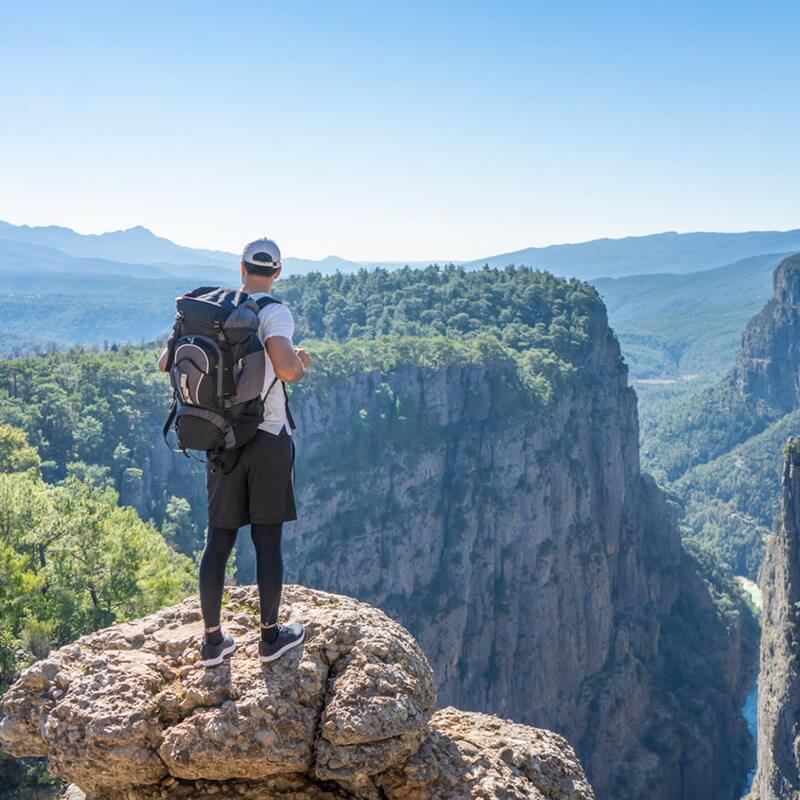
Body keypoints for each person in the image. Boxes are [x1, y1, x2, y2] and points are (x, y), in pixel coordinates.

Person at [158, 237, 312, 667]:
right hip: (267, 437)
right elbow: (284, 368)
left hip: (221, 437)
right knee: (267, 539)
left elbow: (164, 362)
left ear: (242, 267)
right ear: (277, 272)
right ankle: (269, 638)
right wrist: (301, 362)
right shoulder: (273, 311)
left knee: (219, 540)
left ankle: (212, 642)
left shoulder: (216, 311)